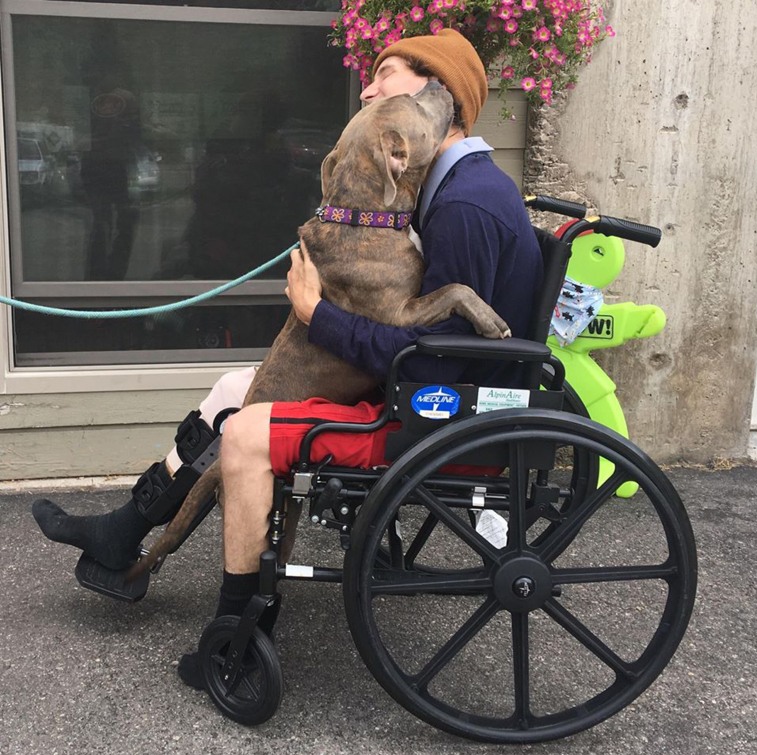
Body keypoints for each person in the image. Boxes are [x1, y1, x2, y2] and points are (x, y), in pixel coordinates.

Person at [33, 29, 543, 688]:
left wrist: (317, 317)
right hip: (428, 390)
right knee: (230, 388)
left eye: (384, 74)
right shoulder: (447, 187)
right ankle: (123, 530)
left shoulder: (466, 204)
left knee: (246, 435)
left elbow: (436, 366)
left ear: (434, 89)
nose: (367, 87)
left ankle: (239, 635)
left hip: (448, 419)